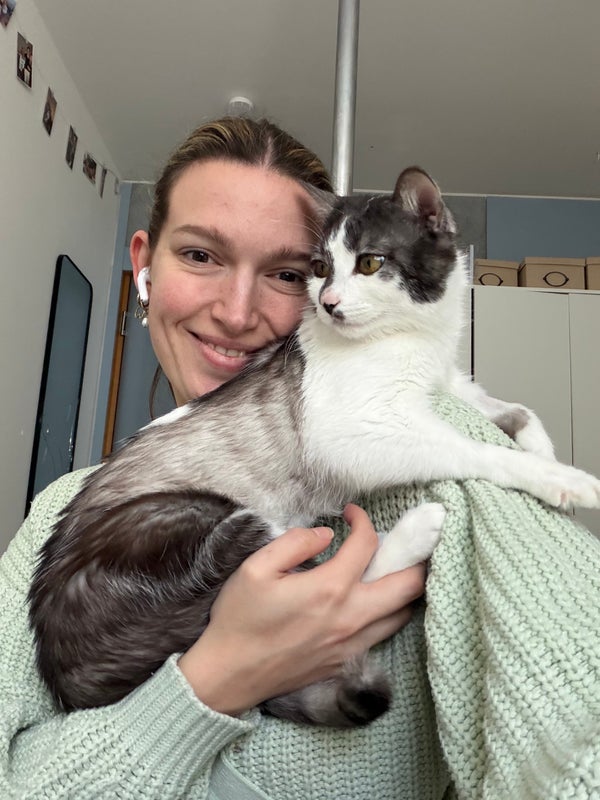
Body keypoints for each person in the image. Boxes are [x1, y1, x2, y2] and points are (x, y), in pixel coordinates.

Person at [0, 117, 598, 800]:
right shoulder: (65, 508)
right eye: (200, 255)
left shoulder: (438, 457)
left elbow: (570, 683)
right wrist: (218, 678)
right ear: (144, 265)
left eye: (287, 272)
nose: (235, 312)